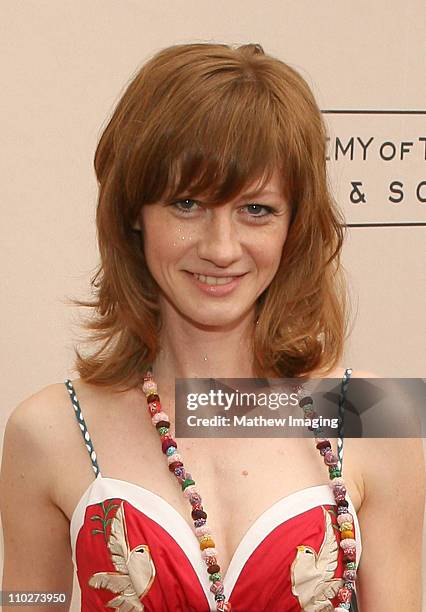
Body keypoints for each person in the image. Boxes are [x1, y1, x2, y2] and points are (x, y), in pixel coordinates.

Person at [0, 42, 424, 612]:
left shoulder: (376, 415)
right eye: (187, 204)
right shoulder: (49, 431)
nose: (221, 249)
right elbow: (28, 600)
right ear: (133, 214)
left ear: (294, 226)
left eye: (257, 210)